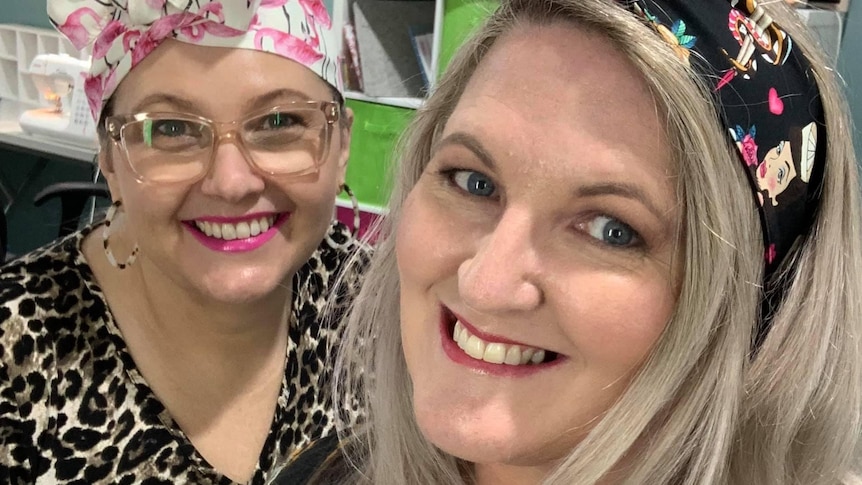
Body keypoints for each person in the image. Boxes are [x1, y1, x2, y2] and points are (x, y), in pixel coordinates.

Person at [274, 0, 862, 483]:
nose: (486, 283)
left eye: (611, 230)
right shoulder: (327, 473)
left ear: (748, 311)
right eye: (474, 182)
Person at [0, 1, 369, 484]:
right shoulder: (16, 349)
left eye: (278, 123)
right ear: (110, 160)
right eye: (170, 129)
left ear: (340, 145)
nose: (231, 182)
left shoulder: (378, 303)